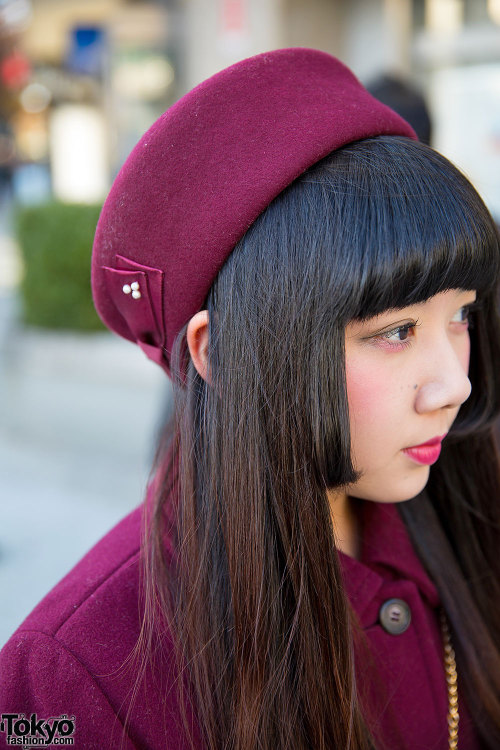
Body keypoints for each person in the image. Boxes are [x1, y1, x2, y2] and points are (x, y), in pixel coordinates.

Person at [1, 47, 500, 750]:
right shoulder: (74, 677)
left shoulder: (470, 511)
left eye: (463, 317)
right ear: (221, 353)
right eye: (396, 332)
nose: (456, 383)